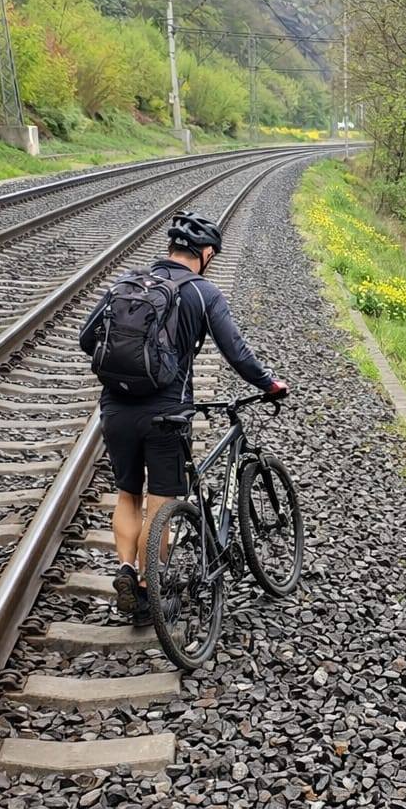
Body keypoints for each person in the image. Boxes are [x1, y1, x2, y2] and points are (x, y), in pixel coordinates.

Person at [79, 211, 286, 622]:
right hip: (167, 414)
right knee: (161, 504)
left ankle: (124, 568)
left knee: (127, 495)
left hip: (116, 408)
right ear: (206, 253)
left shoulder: (127, 282)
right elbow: (236, 352)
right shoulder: (203, 293)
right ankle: (146, 590)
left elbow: (88, 339)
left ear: (171, 249)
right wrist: (269, 384)